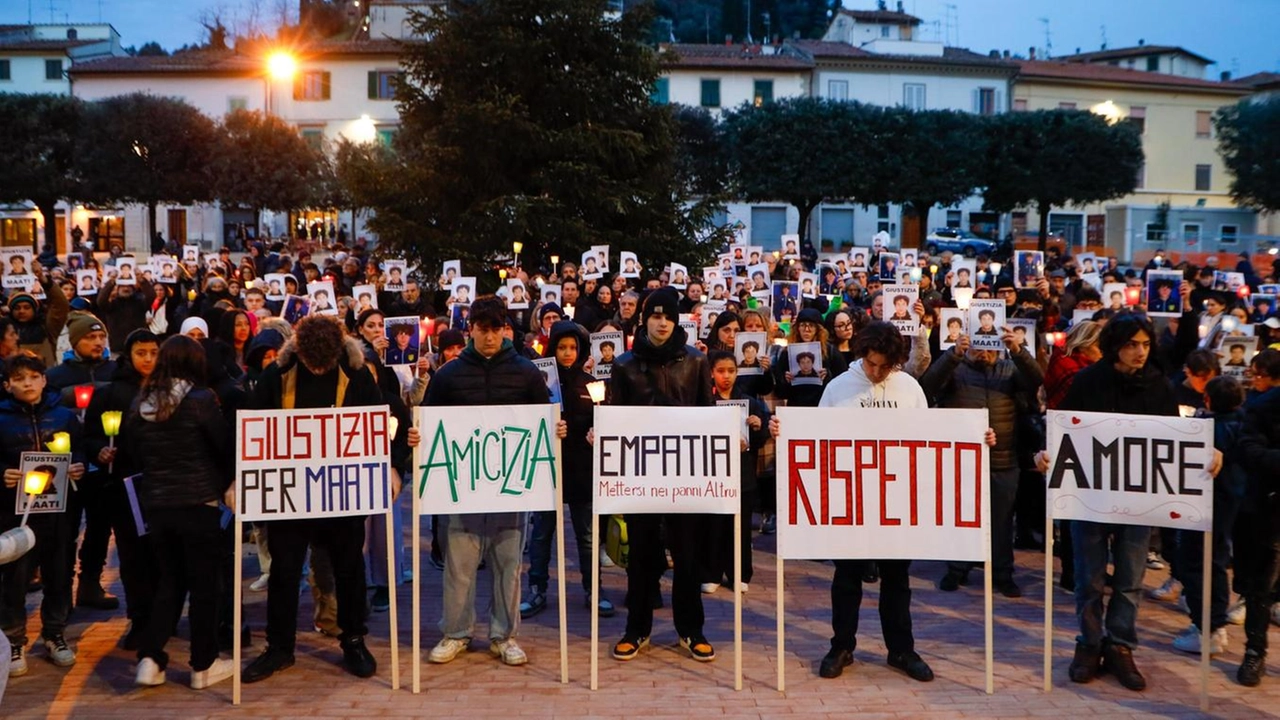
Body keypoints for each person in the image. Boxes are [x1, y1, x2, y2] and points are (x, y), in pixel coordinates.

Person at [1040, 312, 1222, 692]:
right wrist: (1045, 455)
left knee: (1129, 579)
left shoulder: (1159, 387)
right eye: (1131, 344)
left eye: (1145, 344)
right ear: (1114, 346)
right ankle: (1089, 644)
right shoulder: (1088, 382)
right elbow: (1063, 430)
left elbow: (1174, 442)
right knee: (1089, 580)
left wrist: (1207, 452)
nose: (1140, 352)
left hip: (1140, 503)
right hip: (1090, 498)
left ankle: (1121, 645)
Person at [241, 316, 388, 683]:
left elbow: (382, 422)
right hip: (291, 495)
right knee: (284, 571)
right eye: (312, 364)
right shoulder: (277, 376)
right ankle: (279, 647)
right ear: (298, 352)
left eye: (325, 364)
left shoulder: (357, 376)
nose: (319, 370)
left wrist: (393, 465)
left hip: (342, 493)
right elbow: (254, 426)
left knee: (350, 568)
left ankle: (353, 639)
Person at [424, 297, 564, 667]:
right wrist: (416, 437)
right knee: (459, 567)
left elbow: (544, 416)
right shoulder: (448, 375)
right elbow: (428, 420)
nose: (489, 336)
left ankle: (504, 635)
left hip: (511, 486)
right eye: (482, 329)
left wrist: (556, 428)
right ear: (471, 329)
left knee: (507, 566)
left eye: (495, 328)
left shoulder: (525, 372)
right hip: (462, 489)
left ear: (505, 329)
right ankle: (455, 633)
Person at [607, 288, 716, 663]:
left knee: (687, 556)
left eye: (668, 316)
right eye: (655, 316)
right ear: (645, 320)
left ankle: (691, 629)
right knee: (641, 556)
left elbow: (708, 414)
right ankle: (636, 629)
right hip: (641, 478)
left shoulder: (697, 362)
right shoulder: (623, 366)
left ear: (676, 320)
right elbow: (614, 418)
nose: (662, 323)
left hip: (685, 478)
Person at [126, 336, 236, 689]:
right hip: (198, 502)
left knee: (168, 583)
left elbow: (133, 451)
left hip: (157, 506)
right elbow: (223, 446)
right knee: (205, 587)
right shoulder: (200, 401)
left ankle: (150, 657)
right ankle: (203, 664)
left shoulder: (141, 402)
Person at [922, 324, 1044, 598]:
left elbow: (1037, 378)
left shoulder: (1009, 369)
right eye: (978, 345)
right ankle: (957, 568)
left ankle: (1002, 574)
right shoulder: (956, 368)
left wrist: (1018, 350)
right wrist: (953, 354)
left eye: (990, 346)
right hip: (963, 459)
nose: (984, 352)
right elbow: (928, 385)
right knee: (962, 518)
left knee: (1002, 521)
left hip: (1004, 459)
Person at [0, 353, 87, 676]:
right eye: (20, 378)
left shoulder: (64, 417)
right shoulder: (1, 419)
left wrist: (79, 466)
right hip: (14, 514)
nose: (27, 383)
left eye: (33, 377)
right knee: (16, 577)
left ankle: (54, 632)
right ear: (8, 385)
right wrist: (3, 474)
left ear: (44, 380)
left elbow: (79, 450)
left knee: (60, 573)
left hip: (58, 512)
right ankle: (13, 640)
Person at [520, 320, 614, 620]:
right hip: (548, 467)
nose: (568, 353)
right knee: (542, 533)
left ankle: (593, 589)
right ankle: (537, 588)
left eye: (573, 347)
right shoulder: (540, 383)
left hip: (581, 468)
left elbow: (603, 421)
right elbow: (527, 421)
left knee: (587, 534)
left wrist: (596, 432)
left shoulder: (592, 384)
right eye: (562, 347)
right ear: (553, 349)